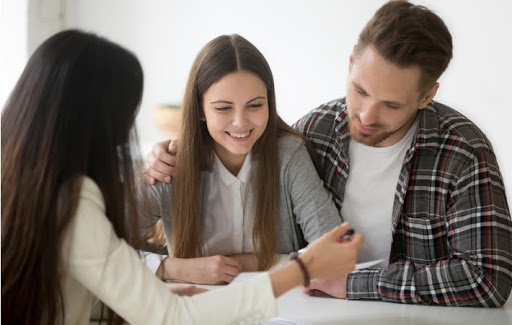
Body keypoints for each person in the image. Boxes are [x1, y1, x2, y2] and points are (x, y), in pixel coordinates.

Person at [143, 0, 512, 307]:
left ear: (427, 96)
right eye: (360, 91)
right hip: (315, 307)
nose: (367, 116)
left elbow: (487, 280)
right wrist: (160, 156)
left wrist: (354, 284)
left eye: (391, 105)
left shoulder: (463, 152)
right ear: (351, 61)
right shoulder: (316, 129)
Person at [0, 29, 364, 325]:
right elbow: (164, 307)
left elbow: (75, 283)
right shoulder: (94, 193)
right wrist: (296, 267)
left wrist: (156, 293)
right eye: (126, 115)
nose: (127, 129)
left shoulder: (31, 186)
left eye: (255, 105)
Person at [138, 34, 344, 285]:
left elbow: (336, 253)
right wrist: (175, 269)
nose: (240, 122)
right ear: (200, 109)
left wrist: (253, 262)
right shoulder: (171, 164)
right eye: (223, 108)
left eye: (255, 105)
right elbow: (100, 249)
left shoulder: (289, 157)